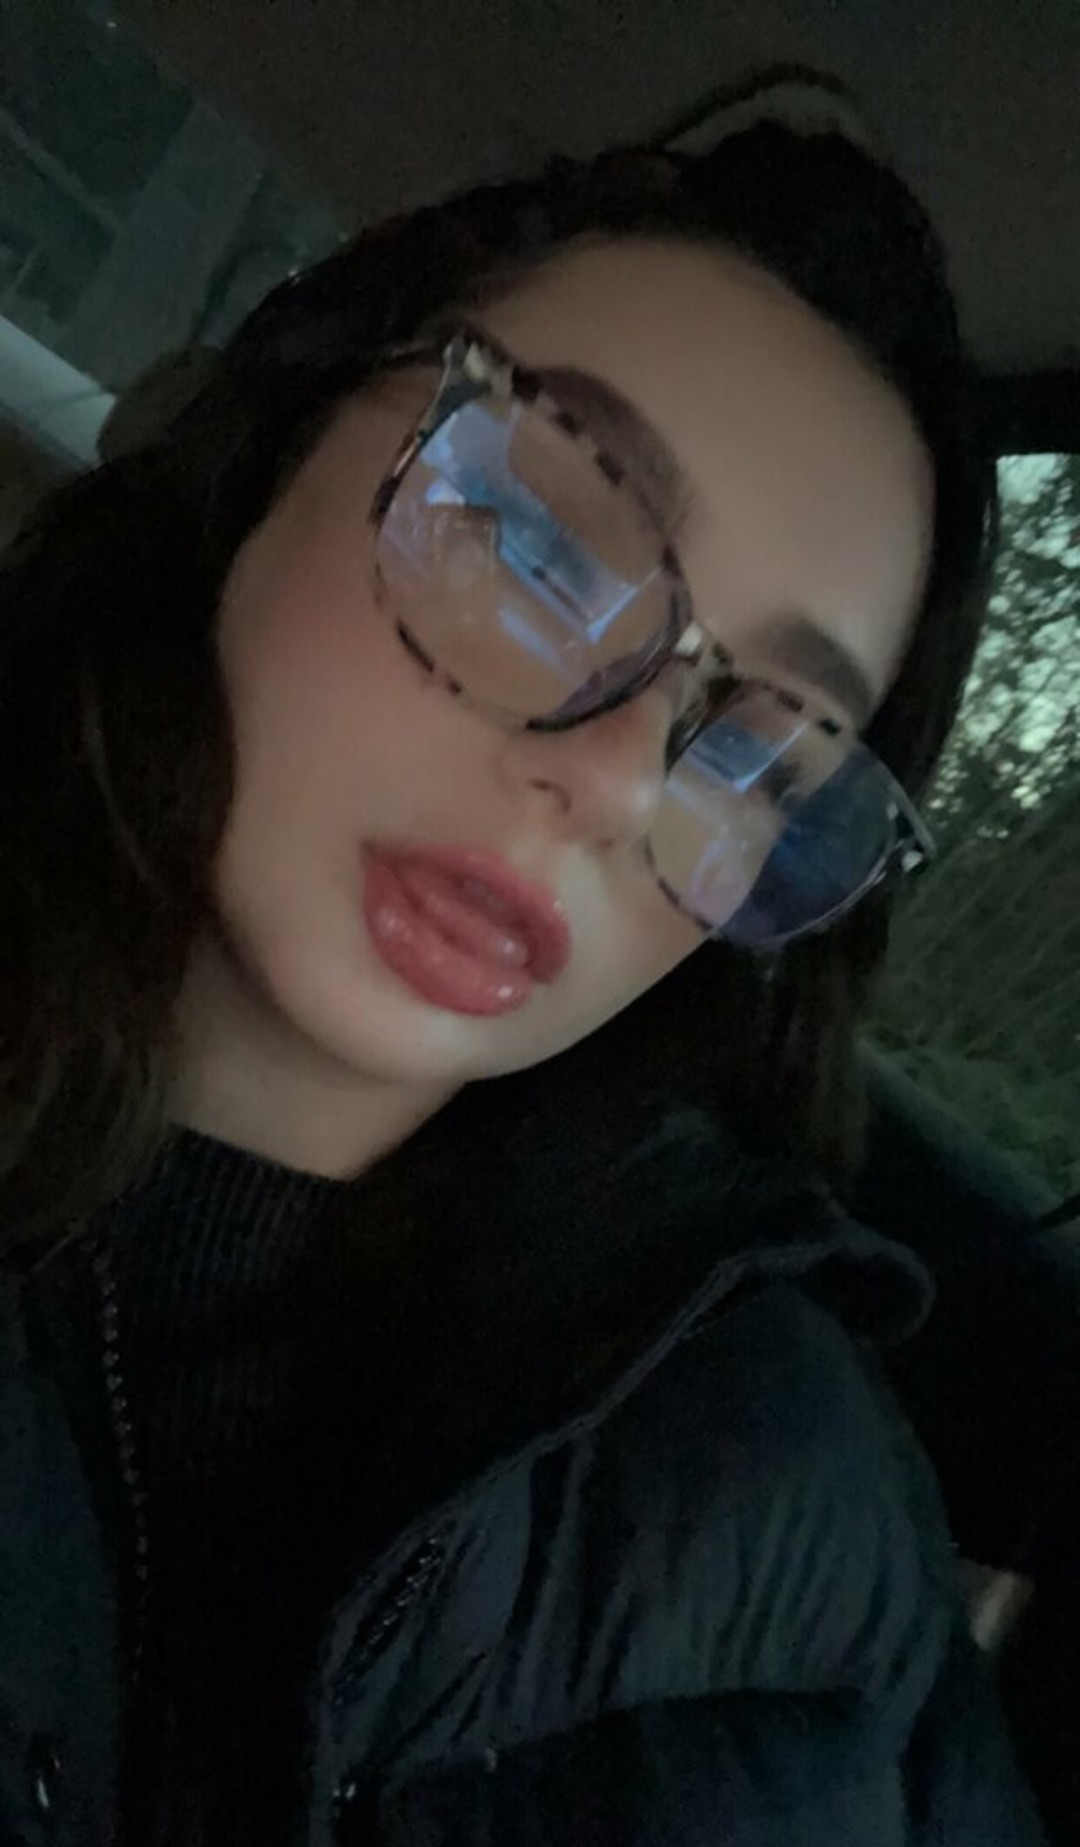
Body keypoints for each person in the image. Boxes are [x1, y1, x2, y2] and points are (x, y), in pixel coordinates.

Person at [0, 79, 1046, 1847]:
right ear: (269, 444)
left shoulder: (789, 1493)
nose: (625, 780)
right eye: (544, 542)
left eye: (765, 750)